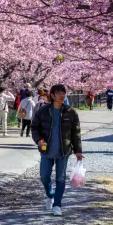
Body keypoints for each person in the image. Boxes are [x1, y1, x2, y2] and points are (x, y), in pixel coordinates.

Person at [31, 84, 83, 216]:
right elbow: (34, 127)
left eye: (64, 93)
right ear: (52, 95)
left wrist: (78, 150)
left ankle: (57, 205)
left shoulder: (71, 112)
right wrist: (38, 140)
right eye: (59, 93)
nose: (62, 95)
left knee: (60, 178)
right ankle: (50, 194)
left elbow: (76, 133)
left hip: (63, 150)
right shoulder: (43, 111)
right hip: (46, 150)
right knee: (44, 176)